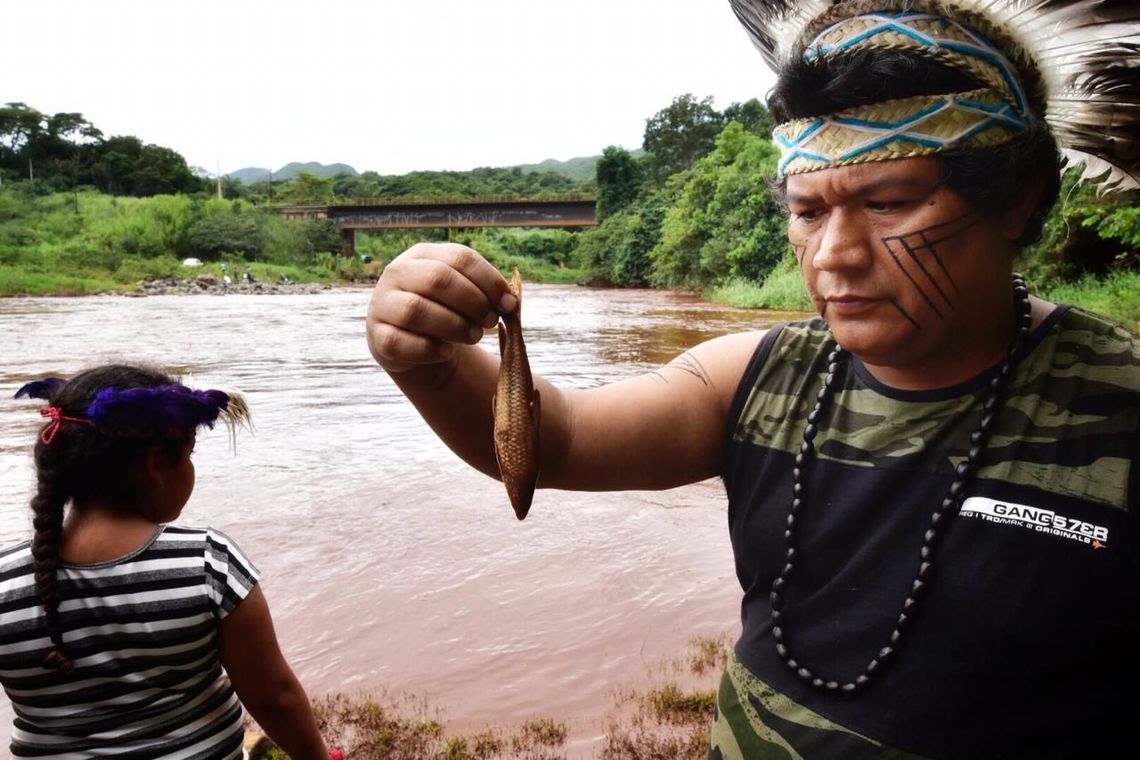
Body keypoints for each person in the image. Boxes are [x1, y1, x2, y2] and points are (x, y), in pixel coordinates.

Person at [366, 1, 1139, 757]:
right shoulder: (756, 376)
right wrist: (425, 362)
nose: (834, 252)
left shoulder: (1122, 405)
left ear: (1017, 198)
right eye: (808, 213)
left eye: (889, 201)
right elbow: (554, 439)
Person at [1, 365, 330, 759]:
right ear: (156, 463)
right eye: (189, 455)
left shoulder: (5, 581)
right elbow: (275, 697)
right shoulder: (208, 564)